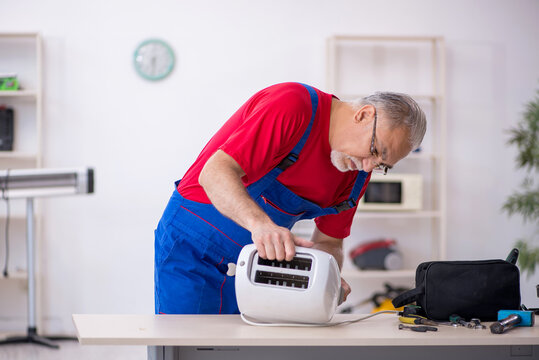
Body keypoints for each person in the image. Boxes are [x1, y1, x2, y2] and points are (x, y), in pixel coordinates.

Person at [154, 82, 426, 315]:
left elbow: (330, 242)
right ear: (364, 115)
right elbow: (213, 174)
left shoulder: (355, 174)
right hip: (193, 246)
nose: (369, 167)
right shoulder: (293, 105)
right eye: (376, 149)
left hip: (255, 270)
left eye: (382, 164)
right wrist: (261, 225)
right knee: (191, 347)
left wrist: (326, 278)